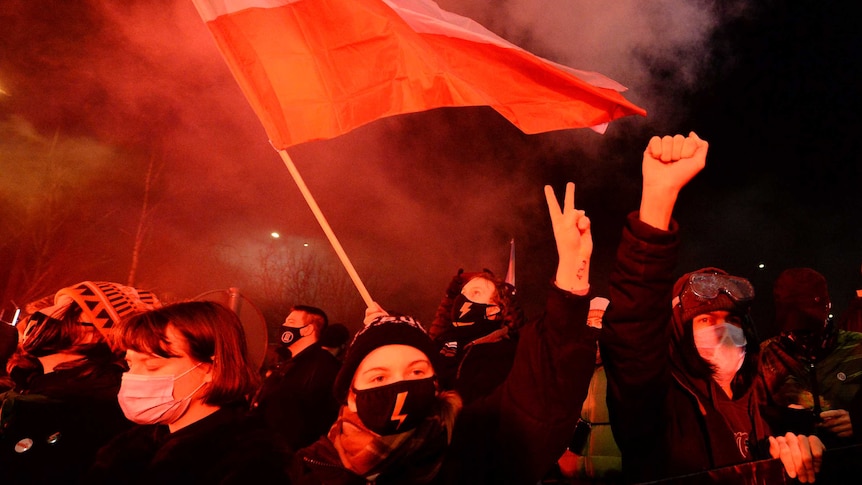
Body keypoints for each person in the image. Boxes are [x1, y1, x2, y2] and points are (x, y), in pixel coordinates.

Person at [290, 181, 600, 484]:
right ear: (349, 395)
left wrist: (570, 287)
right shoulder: (307, 468)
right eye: (378, 377)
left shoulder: (500, 361)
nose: (400, 383)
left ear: (494, 310)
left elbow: (534, 400)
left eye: (416, 371)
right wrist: (389, 332)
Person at [600, 132, 825, 483]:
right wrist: (659, 199)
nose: (723, 330)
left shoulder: (763, 404)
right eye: (705, 318)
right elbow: (633, 331)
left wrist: (799, 450)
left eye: (732, 319)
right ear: (679, 329)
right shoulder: (657, 406)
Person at [87, 300, 292, 483]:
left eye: (152, 365)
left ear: (212, 368)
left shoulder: (251, 462)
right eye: (130, 364)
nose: (134, 377)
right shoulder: (129, 446)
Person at [0, 281, 160, 483]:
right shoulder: (28, 388)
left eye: (63, 308)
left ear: (95, 334)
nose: (43, 313)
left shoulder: (97, 415)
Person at [759, 268, 862, 472]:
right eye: (795, 325)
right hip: (797, 471)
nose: (805, 335)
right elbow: (753, 420)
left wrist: (859, 421)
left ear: (828, 306)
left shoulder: (858, 347)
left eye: (812, 324)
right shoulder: (766, 355)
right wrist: (785, 422)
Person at [545, 296, 622, 484]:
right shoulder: (568, 374)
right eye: (588, 323)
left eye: (600, 322)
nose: (593, 329)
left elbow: (640, 457)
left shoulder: (625, 377)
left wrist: (582, 465)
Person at [248, 304, 341, 450]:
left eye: (290, 323)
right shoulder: (288, 363)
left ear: (308, 330)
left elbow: (315, 421)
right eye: (285, 322)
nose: (284, 326)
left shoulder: (324, 367)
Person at [428, 268, 524, 403]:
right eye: (462, 293)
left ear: (492, 309)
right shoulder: (443, 341)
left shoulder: (505, 353)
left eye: (476, 293)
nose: (462, 299)